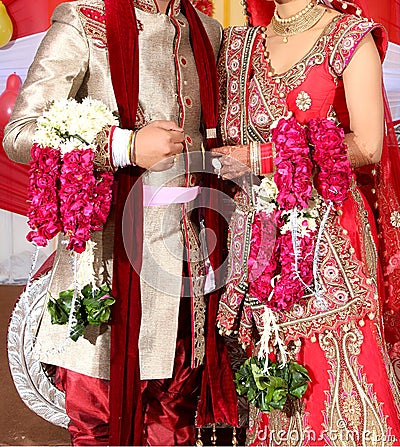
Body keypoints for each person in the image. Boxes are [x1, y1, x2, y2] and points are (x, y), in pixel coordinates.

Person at [3, 0, 238, 445]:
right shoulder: (84, 19)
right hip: (108, 274)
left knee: (176, 428)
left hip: (186, 278)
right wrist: (125, 146)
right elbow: (21, 132)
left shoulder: (207, 30)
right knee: (100, 427)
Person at [213, 0, 400, 444]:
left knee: (334, 375)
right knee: (276, 380)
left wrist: (263, 159)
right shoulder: (240, 44)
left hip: (330, 237)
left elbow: (369, 145)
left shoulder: (348, 37)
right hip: (260, 239)